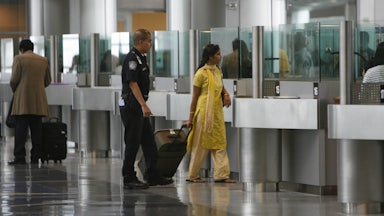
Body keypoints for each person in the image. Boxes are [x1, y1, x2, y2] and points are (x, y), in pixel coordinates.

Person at [120, 29, 173, 189]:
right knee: (133, 142)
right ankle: (128, 176)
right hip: (132, 106)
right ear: (141, 41)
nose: (151, 44)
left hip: (139, 106)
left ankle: (152, 174)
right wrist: (143, 105)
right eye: (149, 41)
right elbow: (132, 83)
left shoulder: (141, 58)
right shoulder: (132, 59)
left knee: (149, 141)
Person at [186, 43, 236, 183]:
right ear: (210, 57)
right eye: (218, 54)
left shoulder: (217, 70)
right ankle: (192, 174)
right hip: (204, 113)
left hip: (217, 112)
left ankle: (221, 174)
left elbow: (221, 85)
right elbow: (195, 97)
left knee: (220, 142)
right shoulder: (200, 74)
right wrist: (190, 118)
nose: (220, 56)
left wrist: (225, 94)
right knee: (201, 144)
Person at [8, 39, 51, 165]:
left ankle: (20, 157)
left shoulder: (19, 59)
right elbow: (48, 80)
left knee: (21, 130)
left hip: (23, 100)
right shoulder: (43, 60)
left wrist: (16, 89)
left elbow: (14, 79)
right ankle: (36, 156)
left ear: (21, 49)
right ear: (32, 48)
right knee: (37, 129)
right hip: (38, 100)